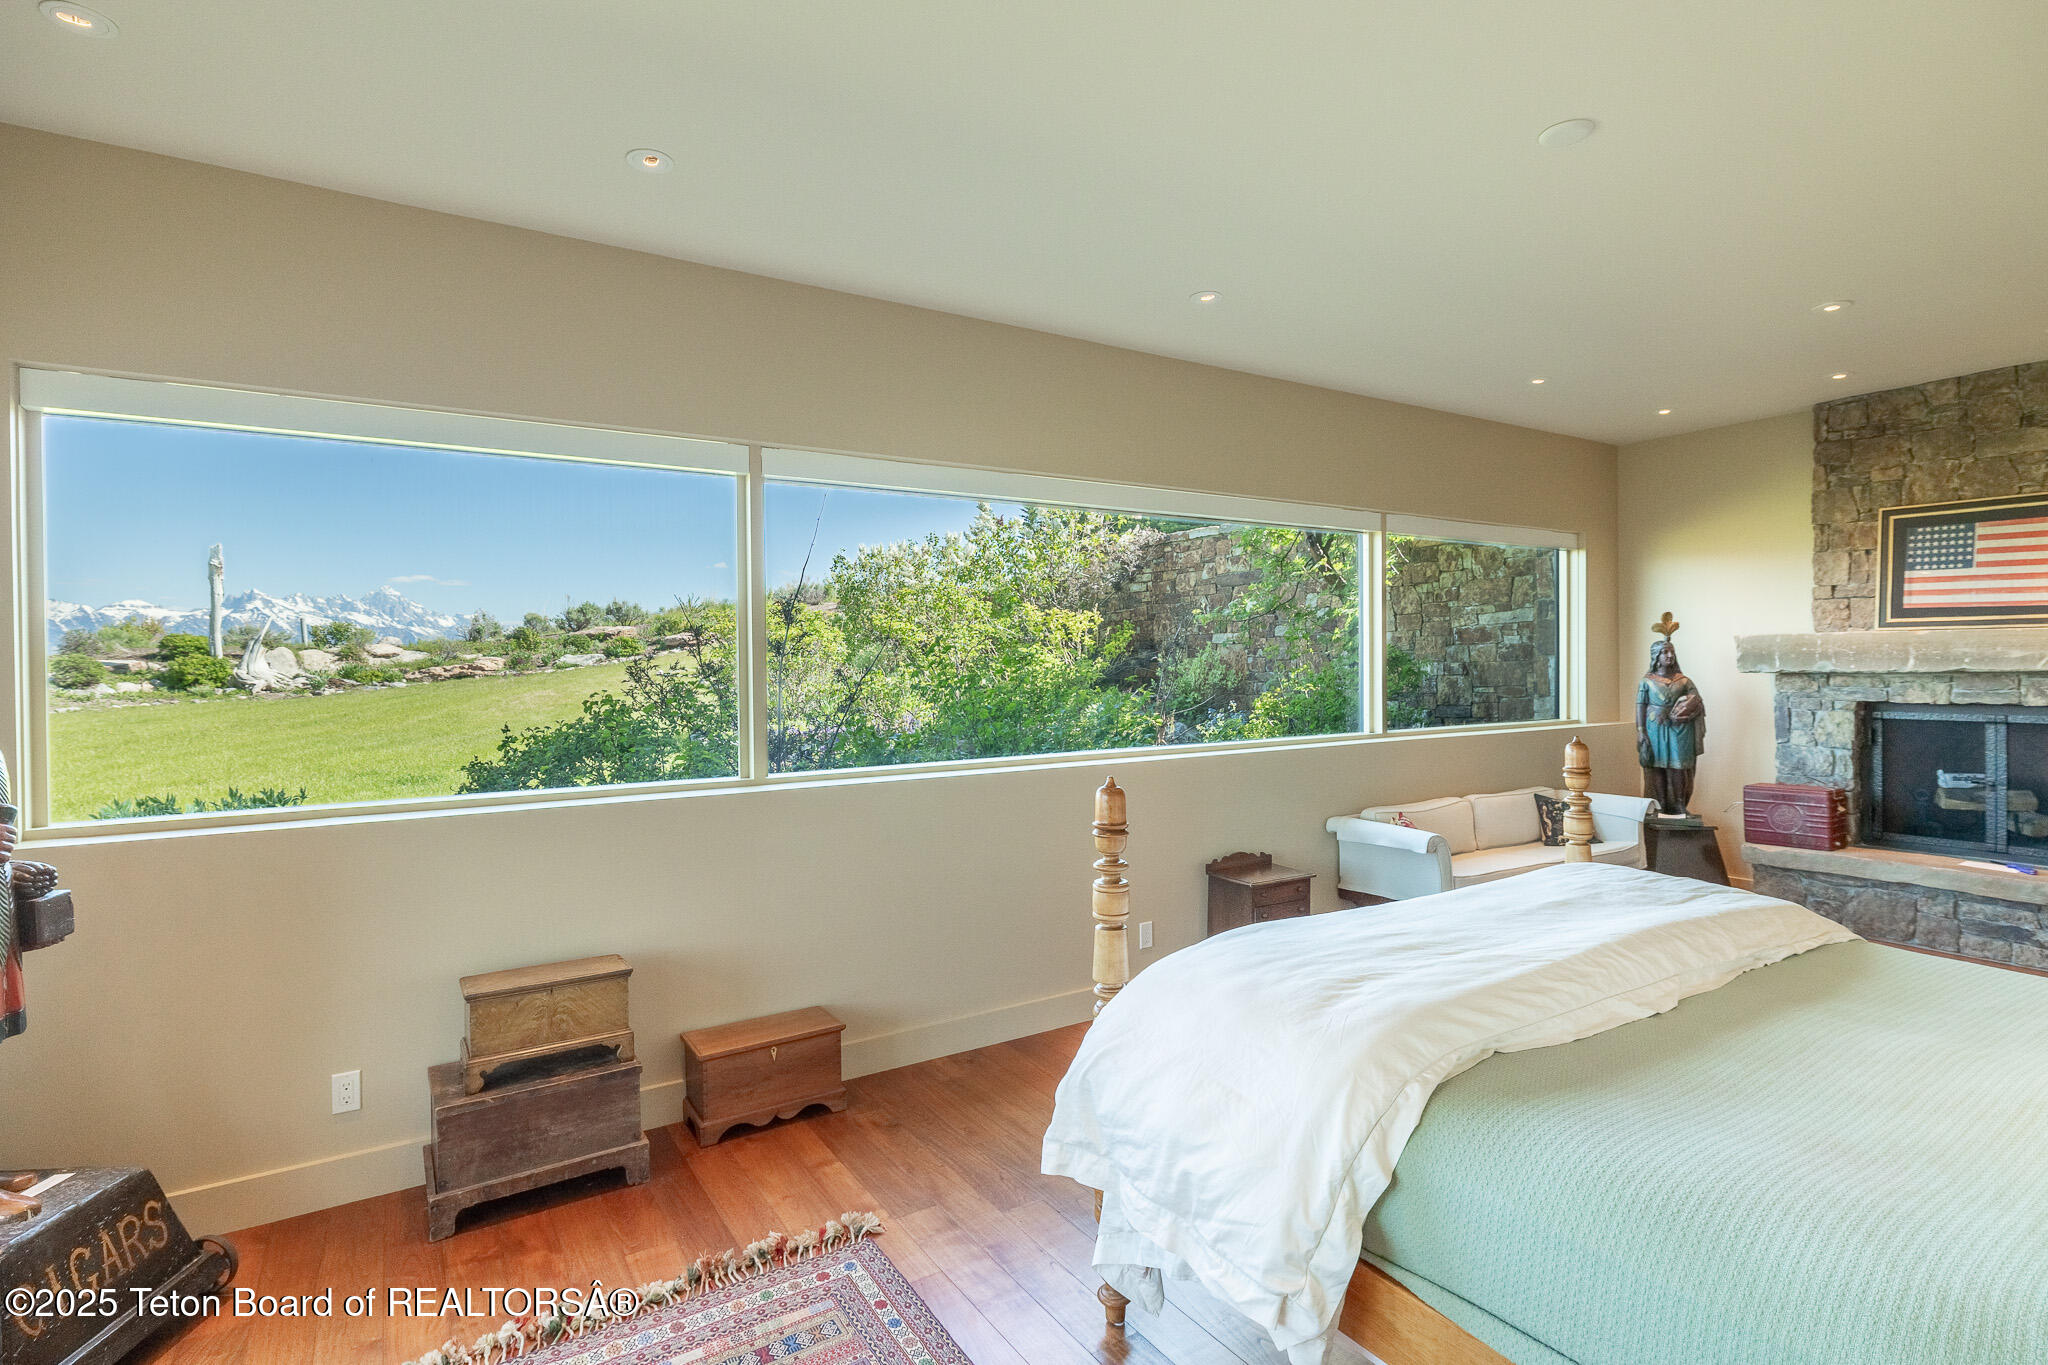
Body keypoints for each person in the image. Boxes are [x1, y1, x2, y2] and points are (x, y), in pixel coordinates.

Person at [1636, 640, 1705, 816]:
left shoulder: (1683, 681)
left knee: (1678, 766)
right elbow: (1640, 706)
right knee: (1658, 765)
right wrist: (1641, 731)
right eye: (1665, 652)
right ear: (1656, 657)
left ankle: (1679, 804)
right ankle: (1662, 804)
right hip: (1655, 727)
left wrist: (1686, 710)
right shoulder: (1647, 681)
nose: (1669, 655)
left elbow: (1697, 701)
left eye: (1671, 652)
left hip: (1679, 729)